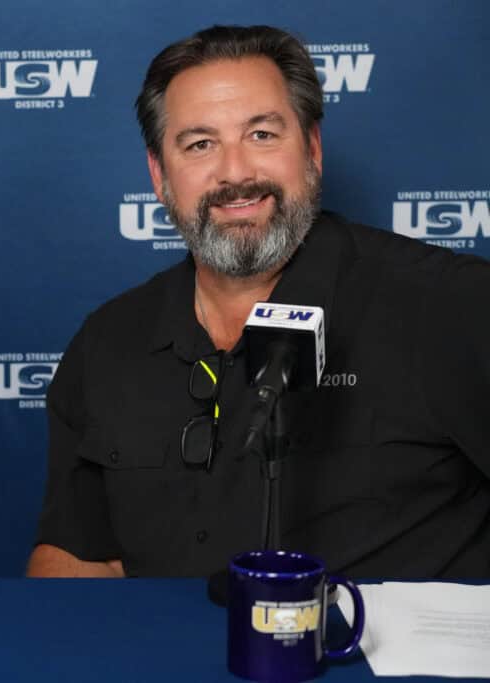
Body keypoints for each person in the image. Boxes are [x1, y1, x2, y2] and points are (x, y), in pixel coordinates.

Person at [27, 25, 490, 579]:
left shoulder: (452, 305)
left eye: (263, 135)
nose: (236, 173)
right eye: (200, 144)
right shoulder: (108, 340)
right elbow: (79, 555)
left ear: (311, 148)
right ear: (159, 175)